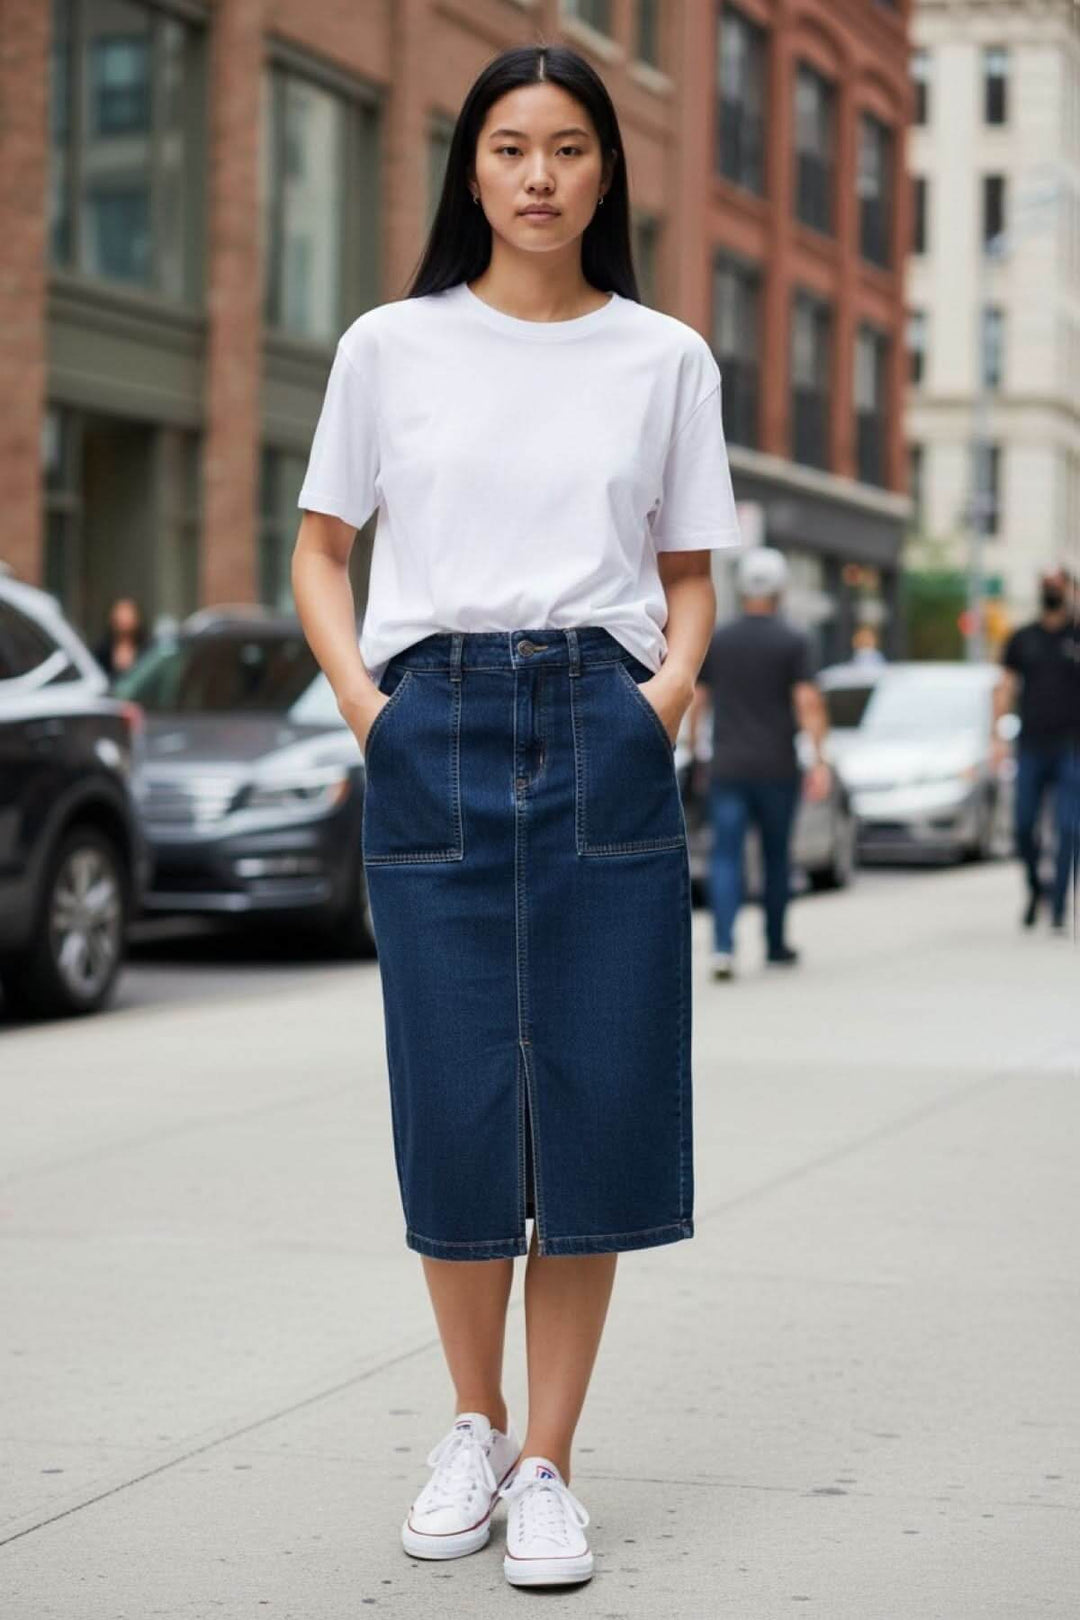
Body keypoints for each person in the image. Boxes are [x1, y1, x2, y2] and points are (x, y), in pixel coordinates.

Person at [289, 45, 742, 1590]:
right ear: (467, 170)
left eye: (566, 148)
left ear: (608, 171)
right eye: (507, 148)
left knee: (599, 1092)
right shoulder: (388, 346)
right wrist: (371, 709)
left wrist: (663, 697)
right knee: (459, 1092)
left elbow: (691, 573)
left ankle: (551, 1460)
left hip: (599, 723)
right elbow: (320, 549)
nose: (538, 176)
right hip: (436, 728)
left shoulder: (666, 356)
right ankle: (470, 1430)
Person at [694, 548, 830, 981]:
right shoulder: (793, 640)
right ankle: (774, 945)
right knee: (775, 857)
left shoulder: (720, 638)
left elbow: (699, 697)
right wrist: (819, 759)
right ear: (780, 589)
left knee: (726, 857)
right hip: (777, 767)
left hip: (728, 766)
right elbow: (807, 701)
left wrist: (696, 748)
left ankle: (722, 947)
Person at [992, 567, 1080, 932]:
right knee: (1023, 824)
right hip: (1030, 746)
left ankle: (1060, 906)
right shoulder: (1022, 638)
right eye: (1046, 585)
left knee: (1068, 828)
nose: (1051, 591)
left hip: (1072, 748)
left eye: (1057, 585)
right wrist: (996, 737)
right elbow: (1006, 687)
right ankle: (1036, 889)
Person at [93, 596, 149, 679]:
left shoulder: (147, 648)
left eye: (128, 615)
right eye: (121, 615)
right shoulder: (103, 650)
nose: (124, 621)